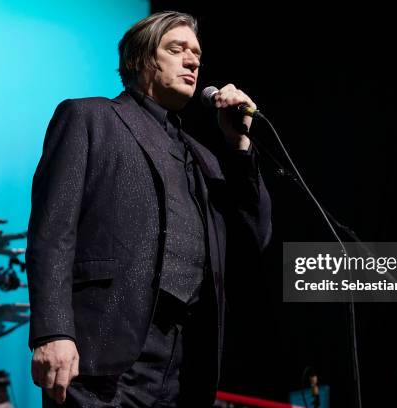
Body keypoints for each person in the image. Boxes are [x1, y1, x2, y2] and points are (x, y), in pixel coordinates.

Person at [26, 10, 272, 407]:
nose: (192, 61)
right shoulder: (90, 117)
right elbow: (52, 233)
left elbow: (254, 237)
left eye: (196, 54)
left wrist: (240, 147)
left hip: (186, 361)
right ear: (140, 60)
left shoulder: (204, 158)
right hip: (102, 354)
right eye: (177, 49)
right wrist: (53, 331)